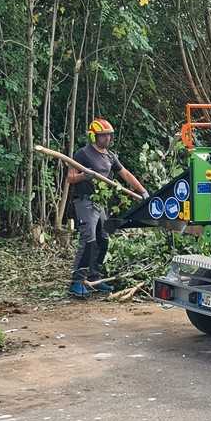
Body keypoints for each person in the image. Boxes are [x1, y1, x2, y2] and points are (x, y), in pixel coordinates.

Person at [66, 118, 149, 298]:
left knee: (104, 240)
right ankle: (77, 282)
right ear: (94, 136)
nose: (107, 139)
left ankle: (95, 278)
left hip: (100, 203)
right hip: (85, 202)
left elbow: (125, 173)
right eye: (103, 136)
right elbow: (71, 178)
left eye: (109, 136)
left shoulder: (110, 156)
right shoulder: (82, 154)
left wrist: (143, 191)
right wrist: (84, 176)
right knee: (89, 240)